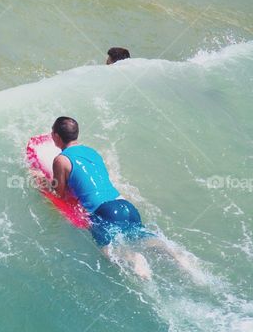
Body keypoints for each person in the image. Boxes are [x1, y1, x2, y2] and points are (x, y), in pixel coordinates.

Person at [50, 116, 189, 280]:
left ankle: (134, 258)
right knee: (142, 237)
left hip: (103, 210)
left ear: (57, 136)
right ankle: (177, 256)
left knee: (108, 251)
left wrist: (45, 181)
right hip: (124, 205)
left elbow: (59, 192)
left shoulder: (61, 160)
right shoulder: (92, 152)